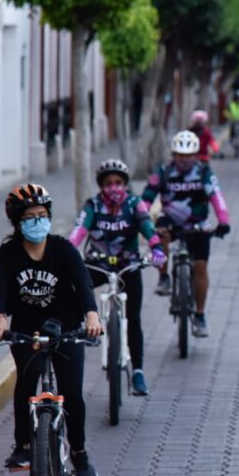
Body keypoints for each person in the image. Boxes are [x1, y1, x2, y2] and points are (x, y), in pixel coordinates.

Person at [0, 184, 102, 475]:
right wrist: (0, 320)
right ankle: (23, 445)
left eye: (42, 215)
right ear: (17, 222)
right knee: (26, 383)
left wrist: (92, 317)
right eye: (29, 217)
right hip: (27, 330)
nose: (37, 221)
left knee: (72, 393)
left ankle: (79, 453)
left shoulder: (63, 249)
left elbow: (83, 282)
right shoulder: (7, 254)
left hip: (67, 328)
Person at [68, 160, 166, 395]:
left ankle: (138, 372)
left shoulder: (134, 204)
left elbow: (147, 226)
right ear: (101, 185)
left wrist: (156, 247)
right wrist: (67, 252)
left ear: (125, 184)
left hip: (128, 266)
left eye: (119, 182)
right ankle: (88, 327)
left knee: (134, 318)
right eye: (109, 183)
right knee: (74, 290)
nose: (114, 187)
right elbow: (79, 231)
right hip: (98, 264)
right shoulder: (92, 205)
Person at [142, 130, 231, 337]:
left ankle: (199, 316)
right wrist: (141, 221)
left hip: (198, 224)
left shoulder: (203, 172)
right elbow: (146, 198)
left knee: (200, 268)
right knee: (160, 235)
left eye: (189, 155)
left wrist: (223, 221)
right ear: (174, 155)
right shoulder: (163, 172)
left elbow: (216, 196)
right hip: (169, 221)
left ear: (195, 155)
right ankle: (163, 277)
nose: (184, 160)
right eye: (180, 155)